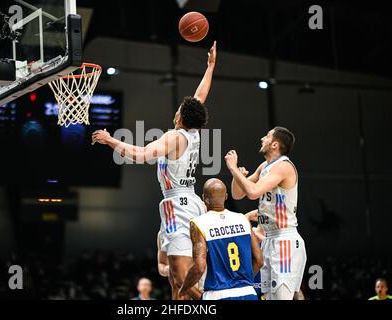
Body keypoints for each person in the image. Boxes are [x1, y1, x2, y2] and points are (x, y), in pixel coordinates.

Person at [92, 42, 217, 300]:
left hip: (178, 205)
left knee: (181, 277)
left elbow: (141, 155)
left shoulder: (174, 137)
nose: (179, 109)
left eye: (181, 109)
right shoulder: (194, 132)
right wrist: (210, 67)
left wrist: (111, 140)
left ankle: (216, 301)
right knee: (173, 277)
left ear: (181, 116)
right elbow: (200, 97)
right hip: (190, 201)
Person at [225, 127, 307, 300]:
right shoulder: (265, 166)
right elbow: (238, 194)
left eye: (267, 136)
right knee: (269, 297)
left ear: (275, 144)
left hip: (285, 240)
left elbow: (253, 192)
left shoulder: (283, 167)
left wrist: (233, 169)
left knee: (282, 297)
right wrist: (237, 176)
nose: (263, 138)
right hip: (269, 239)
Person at [179, 178, 263, 300]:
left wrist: (184, 288)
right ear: (226, 196)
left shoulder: (199, 223)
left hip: (217, 294)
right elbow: (259, 260)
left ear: (204, 198)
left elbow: (199, 266)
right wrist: (243, 282)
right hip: (248, 292)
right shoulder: (242, 219)